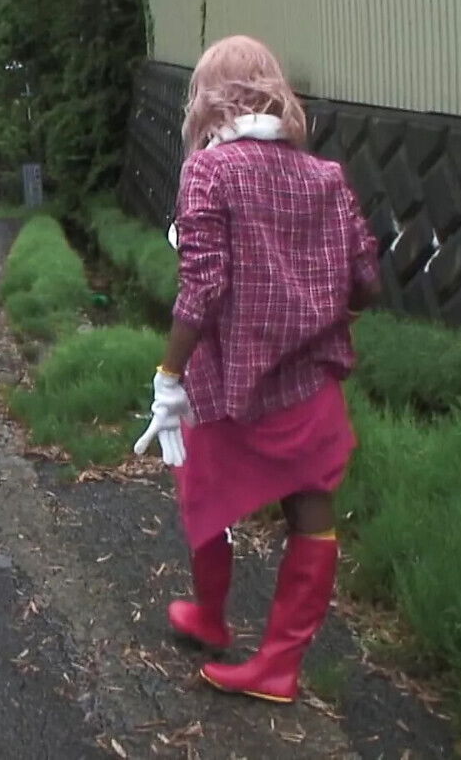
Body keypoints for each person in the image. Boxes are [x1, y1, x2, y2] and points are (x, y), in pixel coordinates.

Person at [133, 35, 381, 704]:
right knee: (312, 510)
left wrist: (168, 372)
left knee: (207, 495)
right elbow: (366, 281)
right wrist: (321, 301)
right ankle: (279, 663)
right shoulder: (325, 176)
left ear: (205, 100)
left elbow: (203, 289)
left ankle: (211, 617)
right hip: (308, 387)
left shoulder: (209, 172)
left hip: (228, 384)